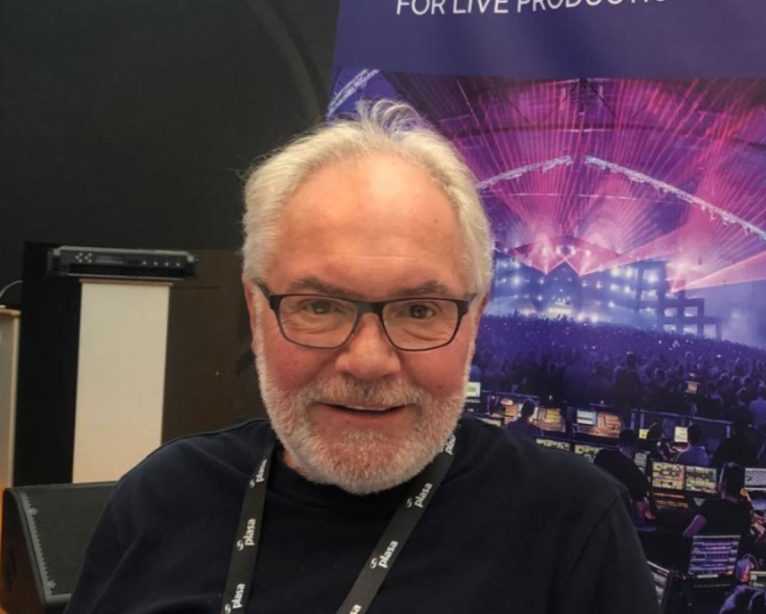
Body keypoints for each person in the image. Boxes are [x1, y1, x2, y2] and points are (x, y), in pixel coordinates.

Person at [67, 101, 658, 613]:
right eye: (319, 306)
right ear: (255, 311)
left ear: (475, 319)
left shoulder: (572, 526)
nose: (369, 362)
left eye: (419, 310)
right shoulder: (163, 497)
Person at [594, 429, 652, 524]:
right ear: (635, 447)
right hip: (616, 522)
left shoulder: (602, 455)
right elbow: (639, 513)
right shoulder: (638, 475)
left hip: (594, 512)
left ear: (619, 442)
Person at [683, 462, 752, 540]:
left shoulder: (710, 505)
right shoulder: (745, 511)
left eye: (720, 478)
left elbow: (688, 535)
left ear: (724, 483)